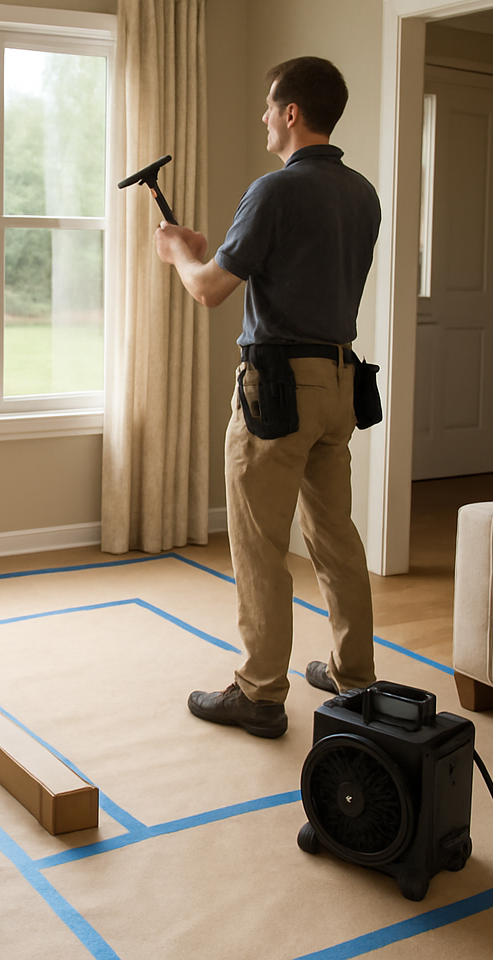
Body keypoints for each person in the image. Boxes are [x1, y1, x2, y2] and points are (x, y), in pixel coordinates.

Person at [155, 57, 380, 739]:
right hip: (341, 383)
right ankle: (354, 676)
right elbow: (282, 271)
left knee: (258, 541)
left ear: (290, 113)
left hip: (277, 388)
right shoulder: (361, 192)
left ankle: (258, 692)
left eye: (267, 105)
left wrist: (177, 253)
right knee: (335, 538)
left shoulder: (275, 191)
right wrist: (207, 251)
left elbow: (208, 290)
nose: (261, 116)